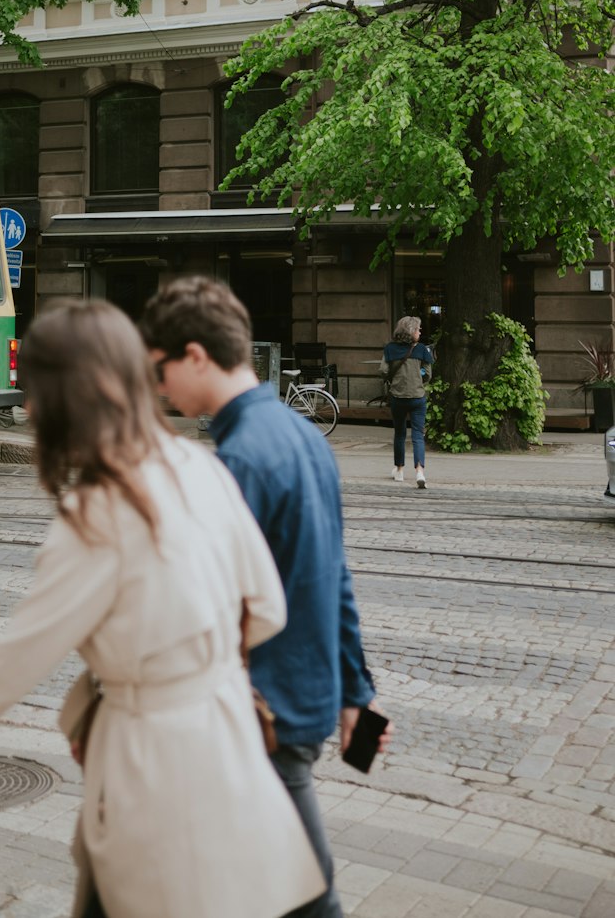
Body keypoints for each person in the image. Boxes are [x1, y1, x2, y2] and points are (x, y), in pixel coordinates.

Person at [0, 299, 325, 918]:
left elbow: (5, 668)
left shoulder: (97, 515)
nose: (29, 409)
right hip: (227, 740)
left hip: (153, 760)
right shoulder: (197, 464)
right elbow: (268, 607)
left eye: (34, 391)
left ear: (67, 398)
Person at [139, 277, 388, 918]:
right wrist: (356, 691)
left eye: (162, 370)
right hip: (301, 697)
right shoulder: (305, 436)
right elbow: (335, 574)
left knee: (304, 893)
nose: (161, 388)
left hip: (259, 714)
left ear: (195, 356)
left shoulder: (238, 460)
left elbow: (207, 608)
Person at [380, 315, 435, 489]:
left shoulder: (389, 349)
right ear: (411, 331)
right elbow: (428, 374)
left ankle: (399, 471)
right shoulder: (422, 350)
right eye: (418, 329)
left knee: (400, 434)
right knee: (418, 435)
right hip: (418, 398)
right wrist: (419, 381)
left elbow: (383, 370)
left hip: (398, 397)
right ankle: (420, 472)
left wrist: (394, 379)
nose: (420, 331)